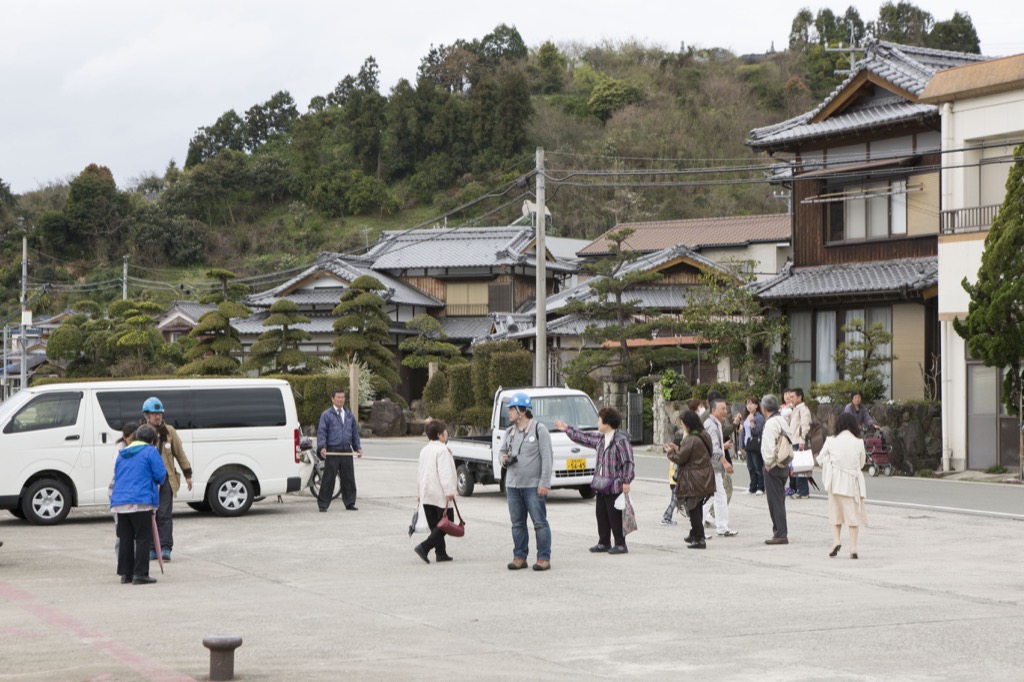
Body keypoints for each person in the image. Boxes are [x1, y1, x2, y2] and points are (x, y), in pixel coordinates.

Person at [556, 406, 636, 555]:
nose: (597, 422)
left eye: (599, 420)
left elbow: (628, 462)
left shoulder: (621, 440)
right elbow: (583, 437)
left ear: (607, 422)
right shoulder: (600, 438)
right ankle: (604, 542)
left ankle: (620, 544)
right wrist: (567, 429)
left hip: (615, 485)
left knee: (615, 515)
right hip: (601, 484)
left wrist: (626, 481)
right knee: (601, 514)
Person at [501, 393, 554, 571]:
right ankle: (519, 557)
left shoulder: (539, 430)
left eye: (511, 409)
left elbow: (547, 458)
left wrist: (544, 483)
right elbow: (502, 452)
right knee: (517, 523)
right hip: (513, 485)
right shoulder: (510, 432)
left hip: (533, 486)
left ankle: (543, 558)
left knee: (539, 522)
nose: (509, 413)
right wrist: (504, 458)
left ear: (521, 410)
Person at [111, 424, 167, 585]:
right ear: (151, 440)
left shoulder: (123, 453)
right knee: (143, 537)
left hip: (120, 501)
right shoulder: (150, 451)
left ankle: (126, 574)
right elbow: (160, 474)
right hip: (140, 500)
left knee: (126, 537)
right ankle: (140, 574)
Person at [141, 397, 192, 562]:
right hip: (147, 482)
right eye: (154, 414)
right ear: (146, 415)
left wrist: (188, 474)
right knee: (148, 515)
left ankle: (165, 547)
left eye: (160, 414)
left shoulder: (170, 431)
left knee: (164, 514)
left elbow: (180, 453)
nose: (158, 417)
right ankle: (151, 548)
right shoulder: (140, 432)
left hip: (166, 480)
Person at [816, 412, 868, 559]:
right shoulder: (858, 442)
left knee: (835, 513)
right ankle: (853, 547)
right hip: (852, 483)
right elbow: (862, 463)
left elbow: (819, 459)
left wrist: (829, 460)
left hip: (835, 482)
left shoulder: (831, 440)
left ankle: (836, 541)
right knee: (853, 517)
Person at [664, 410, 716, 549]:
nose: (681, 426)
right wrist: (679, 448)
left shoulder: (689, 439)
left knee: (693, 508)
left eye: (682, 423)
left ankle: (699, 538)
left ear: (687, 424)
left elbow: (681, 459)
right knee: (697, 506)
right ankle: (695, 533)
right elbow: (699, 453)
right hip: (705, 475)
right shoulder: (703, 434)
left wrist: (670, 451)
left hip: (694, 478)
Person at [413, 420, 457, 564]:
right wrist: (449, 490)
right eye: (445, 431)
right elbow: (445, 473)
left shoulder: (424, 449)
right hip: (440, 493)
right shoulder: (442, 450)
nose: (447, 433)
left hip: (426, 492)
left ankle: (441, 552)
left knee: (435, 525)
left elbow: (420, 471)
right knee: (447, 522)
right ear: (439, 435)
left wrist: (419, 492)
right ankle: (424, 547)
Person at [316, 389, 363, 512]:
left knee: (348, 479)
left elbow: (354, 433)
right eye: (338, 397)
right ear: (332, 399)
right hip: (332, 451)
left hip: (346, 451)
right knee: (328, 479)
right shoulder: (326, 415)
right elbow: (322, 432)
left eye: (343, 397)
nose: (341, 399)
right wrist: (322, 447)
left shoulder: (348, 414)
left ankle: (350, 502)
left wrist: (357, 447)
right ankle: (323, 504)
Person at [701, 399, 737, 538]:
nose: (725, 412)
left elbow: (716, 445)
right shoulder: (711, 425)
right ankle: (698, 529)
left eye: (726, 409)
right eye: (722, 409)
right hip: (712, 466)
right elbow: (714, 448)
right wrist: (725, 462)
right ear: (713, 410)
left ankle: (722, 527)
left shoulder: (715, 424)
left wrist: (725, 447)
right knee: (708, 498)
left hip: (714, 466)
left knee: (719, 496)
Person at [761, 394, 793, 545]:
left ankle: (780, 533)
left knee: (774, 500)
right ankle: (779, 530)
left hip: (773, 465)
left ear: (764, 408)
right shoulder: (783, 420)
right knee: (780, 498)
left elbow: (769, 445)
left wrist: (767, 462)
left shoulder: (771, 423)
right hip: (784, 463)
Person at [109, 423, 139, 555]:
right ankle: (122, 563)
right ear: (125, 438)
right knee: (122, 532)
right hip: (119, 495)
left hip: (132, 495)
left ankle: (133, 563)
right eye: (132, 439)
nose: (134, 442)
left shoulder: (140, 448)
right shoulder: (120, 450)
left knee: (135, 532)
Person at [788, 388, 813, 499]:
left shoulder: (803, 409)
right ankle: (796, 489)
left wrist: (802, 441)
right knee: (794, 468)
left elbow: (805, 426)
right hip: (793, 440)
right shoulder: (795, 409)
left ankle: (803, 491)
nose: (791, 398)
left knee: (800, 468)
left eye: (793, 396)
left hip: (799, 441)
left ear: (800, 397)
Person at [740, 396, 765, 495]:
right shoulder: (746, 417)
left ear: (756, 405)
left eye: (751, 403)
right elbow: (742, 432)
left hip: (755, 444)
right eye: (747, 404)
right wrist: (741, 445)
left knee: (758, 467)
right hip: (748, 445)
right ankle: (752, 487)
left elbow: (757, 431)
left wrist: (751, 422)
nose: (749, 406)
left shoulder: (759, 417)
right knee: (750, 467)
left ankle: (761, 487)